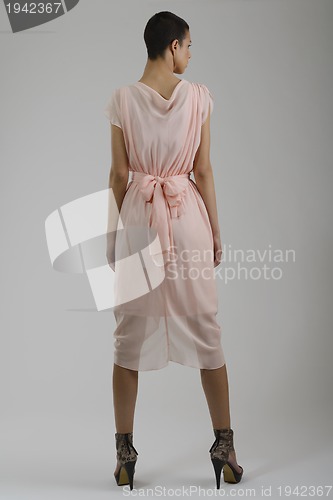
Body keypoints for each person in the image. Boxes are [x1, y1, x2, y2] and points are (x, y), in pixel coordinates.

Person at [104, 11, 243, 491]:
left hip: (140, 220)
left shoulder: (122, 100)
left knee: (127, 334)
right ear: (173, 47)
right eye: (188, 45)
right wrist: (217, 231)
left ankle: (125, 453)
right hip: (187, 219)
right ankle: (224, 447)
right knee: (207, 328)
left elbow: (119, 176)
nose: (190, 53)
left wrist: (112, 236)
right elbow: (203, 171)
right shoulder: (200, 100)